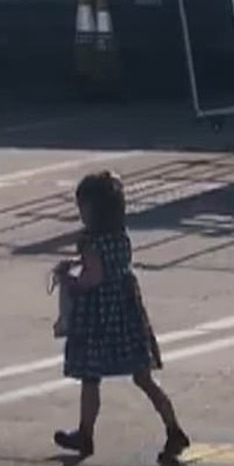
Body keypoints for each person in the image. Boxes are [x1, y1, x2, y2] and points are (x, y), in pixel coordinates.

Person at [52, 171, 190, 463]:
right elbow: (110, 267)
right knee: (143, 377)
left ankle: (85, 433)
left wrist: (68, 279)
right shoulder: (121, 237)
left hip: (99, 320)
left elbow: (92, 279)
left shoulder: (90, 243)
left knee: (91, 376)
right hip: (127, 315)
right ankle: (173, 428)